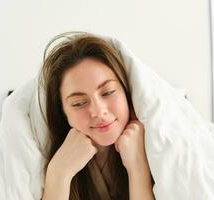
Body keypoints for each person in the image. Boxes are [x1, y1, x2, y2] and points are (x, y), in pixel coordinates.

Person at [39, 32, 154, 200]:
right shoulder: (43, 158)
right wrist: (59, 174)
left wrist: (138, 168)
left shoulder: (156, 145)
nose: (99, 112)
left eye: (108, 92)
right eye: (79, 103)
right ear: (63, 111)